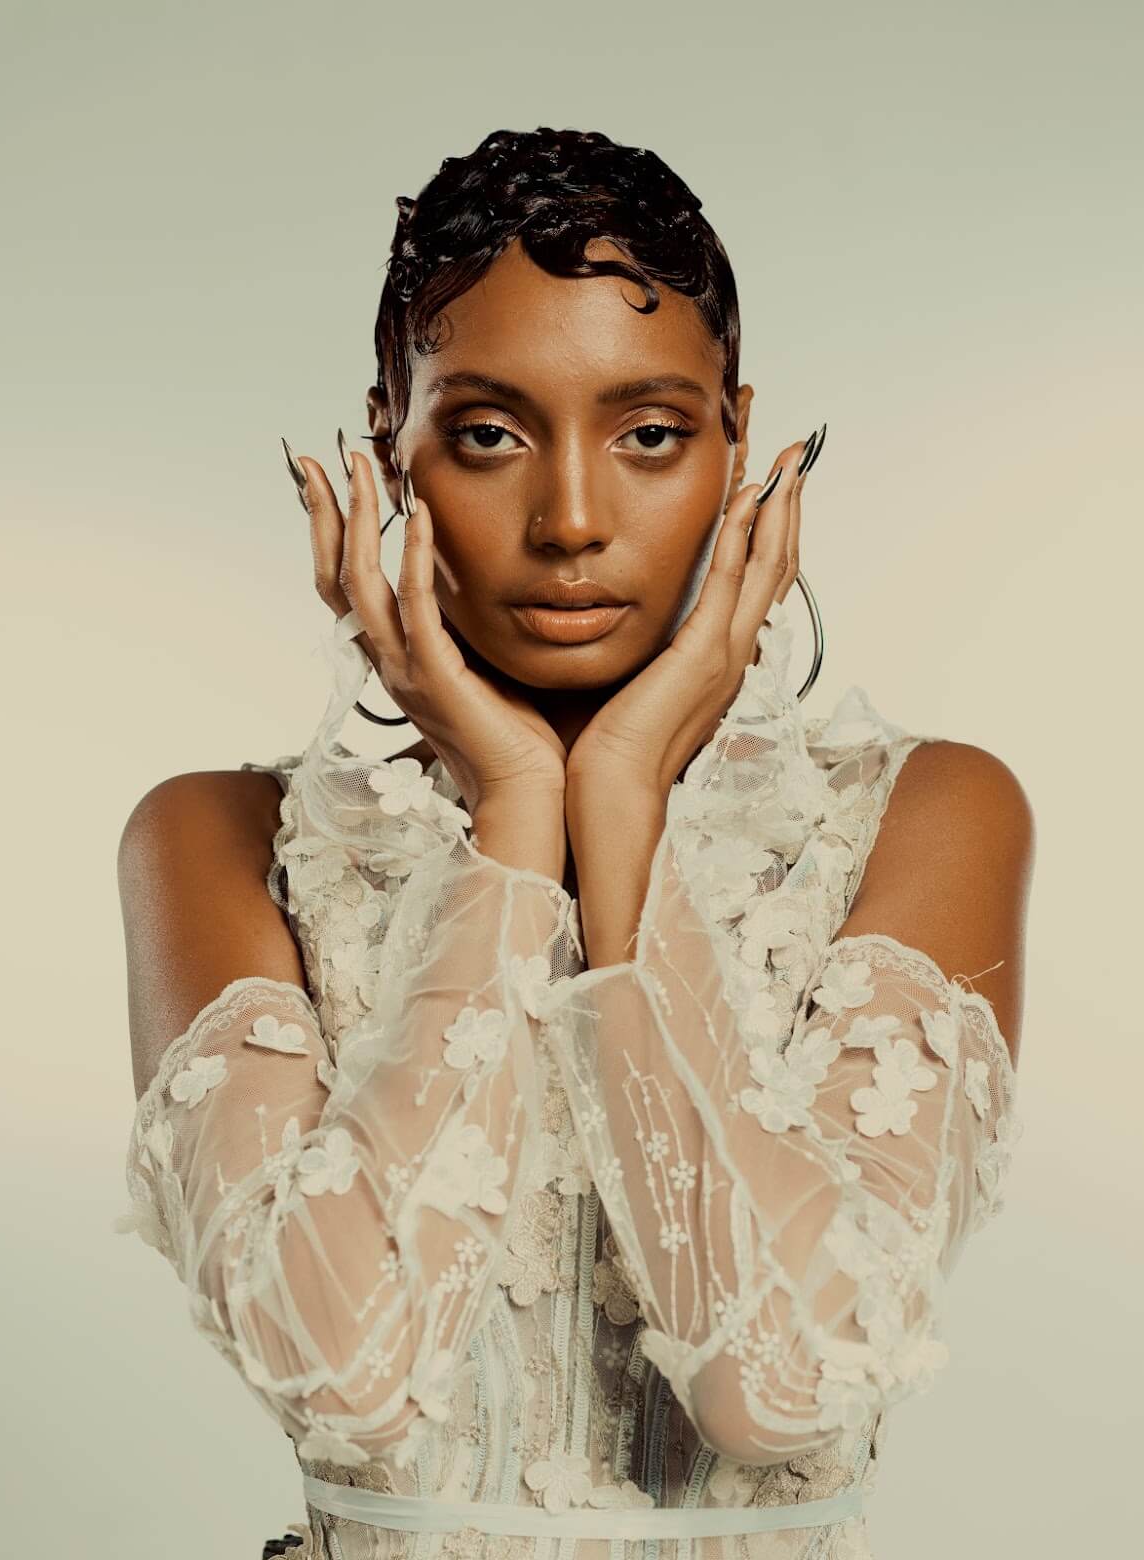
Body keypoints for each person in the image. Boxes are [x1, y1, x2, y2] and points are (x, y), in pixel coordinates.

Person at [114, 127, 1035, 1559]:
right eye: (486, 433)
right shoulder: (218, 835)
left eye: (648, 434)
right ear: (387, 445)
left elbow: (780, 1388)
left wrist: (617, 806)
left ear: (737, 437)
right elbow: (344, 1379)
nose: (571, 521)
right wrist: (508, 815)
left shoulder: (927, 813)